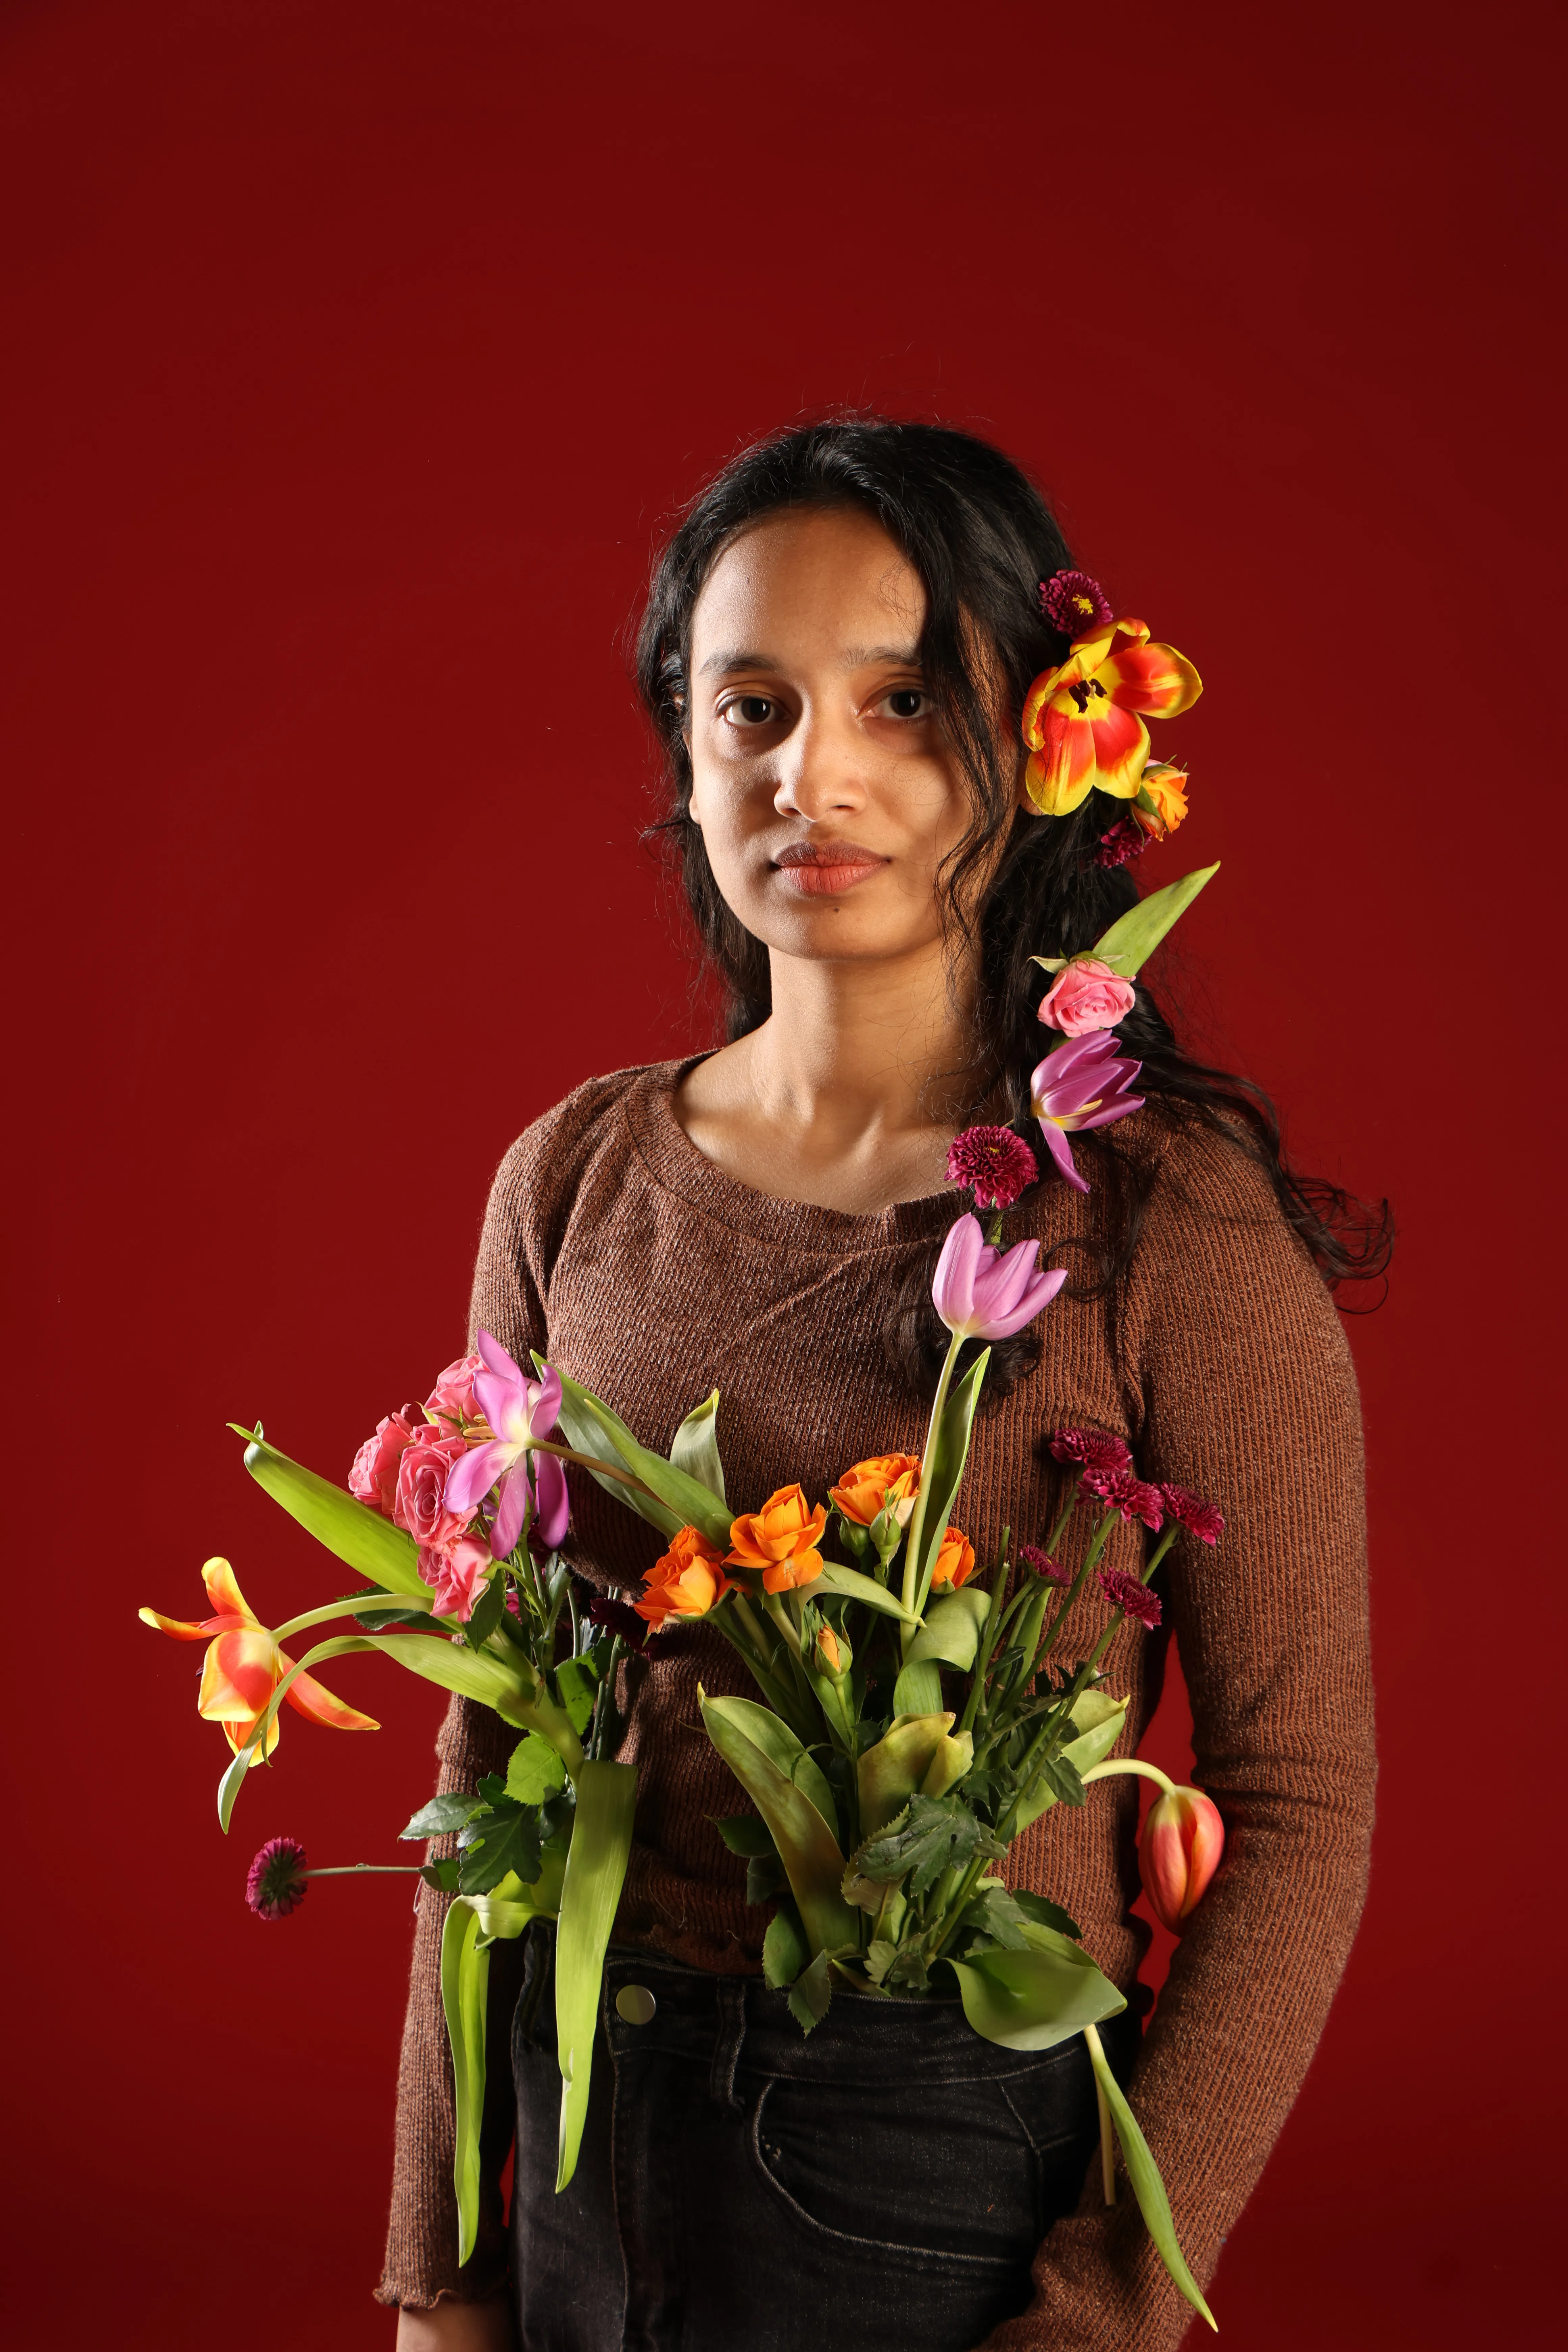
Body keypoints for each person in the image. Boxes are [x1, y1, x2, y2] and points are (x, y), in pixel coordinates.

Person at [379, 418, 1385, 2351]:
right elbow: (486, 1752)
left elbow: (1303, 1801)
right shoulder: (572, 1181)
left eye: (903, 700)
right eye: (748, 705)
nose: (809, 773)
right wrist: (445, 2270)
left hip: (939, 2187)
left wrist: (1106, 2311)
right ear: (683, 750)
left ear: (1038, 744)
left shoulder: (1161, 1222)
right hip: (591, 2142)